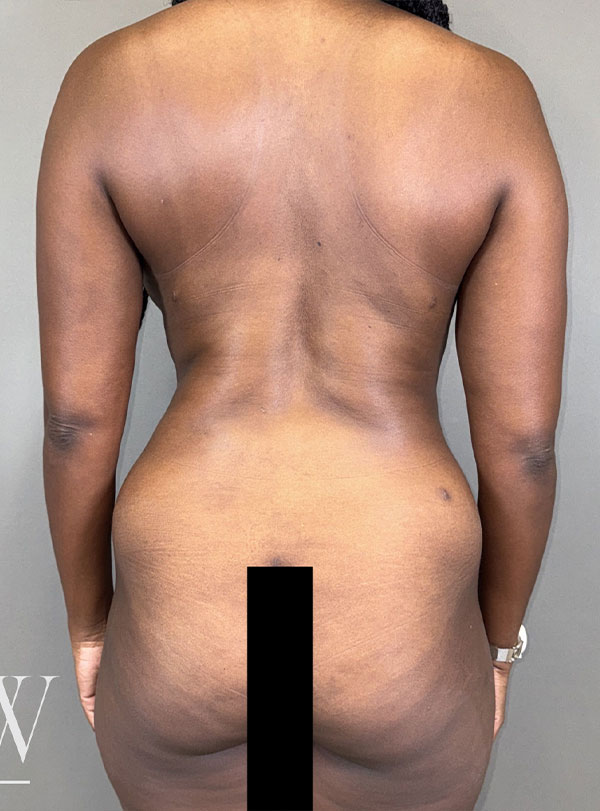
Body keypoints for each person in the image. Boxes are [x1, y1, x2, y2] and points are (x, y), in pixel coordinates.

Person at [36, 0, 568, 808]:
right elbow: (525, 449)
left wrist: (88, 624)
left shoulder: (112, 79)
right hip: (389, 619)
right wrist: (498, 644)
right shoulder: (490, 95)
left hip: (195, 611)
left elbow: (74, 427)